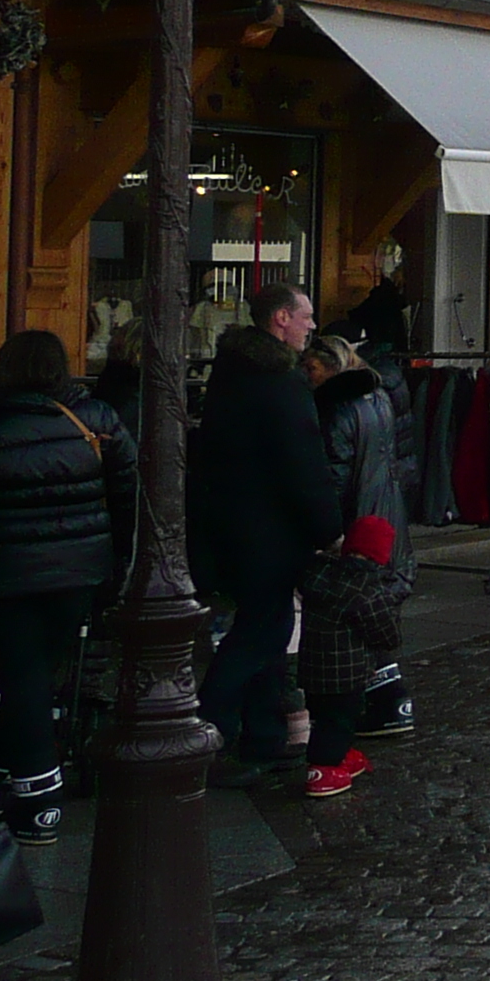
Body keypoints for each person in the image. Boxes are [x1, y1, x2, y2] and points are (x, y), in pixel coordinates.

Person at [0, 331, 135, 845]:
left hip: (0, 575)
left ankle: (38, 795)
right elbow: (128, 494)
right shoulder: (96, 424)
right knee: (37, 674)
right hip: (80, 573)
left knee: (23, 677)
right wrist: (114, 557)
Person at [190, 285, 339, 781]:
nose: (312, 327)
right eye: (306, 316)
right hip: (265, 533)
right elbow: (302, 463)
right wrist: (329, 529)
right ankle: (204, 730)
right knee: (262, 632)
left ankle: (263, 735)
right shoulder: (278, 382)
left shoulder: (234, 373)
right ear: (281, 318)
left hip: (232, 526)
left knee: (265, 634)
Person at [303, 333, 417, 741]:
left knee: (349, 618)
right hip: (385, 516)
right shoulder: (378, 398)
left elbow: (334, 474)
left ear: (330, 366)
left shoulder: (337, 408)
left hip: (357, 522)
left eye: (311, 368)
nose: (306, 375)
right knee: (374, 607)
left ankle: (378, 705)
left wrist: (325, 531)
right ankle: (393, 702)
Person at [295, 514, 409, 799]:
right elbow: (387, 635)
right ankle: (322, 767)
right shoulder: (368, 590)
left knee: (322, 716)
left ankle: (338, 754)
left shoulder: (319, 574)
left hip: (312, 670)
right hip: (348, 675)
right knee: (340, 720)